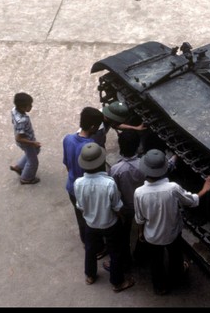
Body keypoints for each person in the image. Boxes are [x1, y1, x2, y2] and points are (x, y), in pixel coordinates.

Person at [134, 149, 210, 295]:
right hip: (172, 232)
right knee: (175, 254)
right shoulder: (173, 188)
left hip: (152, 236)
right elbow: (191, 201)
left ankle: (159, 287)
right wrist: (204, 189)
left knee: (156, 262)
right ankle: (178, 273)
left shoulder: (139, 192)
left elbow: (139, 217)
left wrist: (140, 232)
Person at [74, 143, 135, 292]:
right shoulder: (109, 184)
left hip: (90, 224)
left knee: (90, 249)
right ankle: (117, 282)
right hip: (110, 224)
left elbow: (80, 206)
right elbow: (117, 207)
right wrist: (122, 217)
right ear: (100, 162)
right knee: (115, 252)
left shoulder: (78, 183)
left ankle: (90, 275)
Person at [63, 107, 104, 245]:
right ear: (93, 127)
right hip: (86, 191)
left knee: (80, 216)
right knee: (92, 218)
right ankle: (96, 246)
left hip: (71, 186)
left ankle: (85, 240)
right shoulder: (91, 147)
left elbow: (67, 164)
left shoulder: (67, 139)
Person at [107, 129, 145, 271]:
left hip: (125, 207)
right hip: (142, 205)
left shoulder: (116, 169)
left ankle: (126, 259)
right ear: (137, 146)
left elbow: (114, 189)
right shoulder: (144, 164)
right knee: (144, 231)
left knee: (124, 234)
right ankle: (140, 255)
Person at [9, 92, 41, 185]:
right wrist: (32, 143)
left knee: (35, 151)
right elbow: (19, 138)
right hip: (27, 142)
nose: (31, 106)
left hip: (27, 140)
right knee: (33, 162)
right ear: (23, 107)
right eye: (29, 105)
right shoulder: (22, 120)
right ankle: (26, 178)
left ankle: (19, 167)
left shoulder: (14, 110)